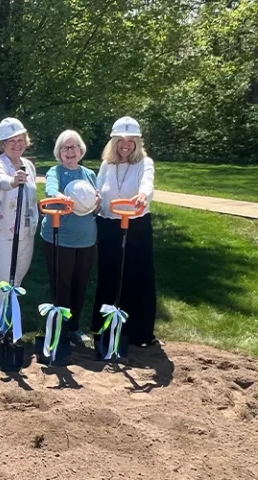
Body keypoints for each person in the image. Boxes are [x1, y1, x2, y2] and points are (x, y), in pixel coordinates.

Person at [91, 116, 159, 347]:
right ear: (114, 142)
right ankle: (105, 329)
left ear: (137, 143)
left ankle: (138, 332)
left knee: (137, 275)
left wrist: (142, 196)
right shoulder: (106, 164)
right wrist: (95, 199)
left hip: (136, 224)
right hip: (109, 224)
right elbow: (99, 188)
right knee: (109, 275)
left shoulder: (144, 163)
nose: (125, 145)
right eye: (121, 140)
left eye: (131, 141)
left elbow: (147, 184)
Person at [40, 130, 99, 346]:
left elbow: (94, 206)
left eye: (74, 147)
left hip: (86, 239)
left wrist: (97, 202)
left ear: (81, 150)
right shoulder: (56, 172)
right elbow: (51, 189)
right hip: (59, 238)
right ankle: (59, 327)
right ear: (59, 152)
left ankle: (74, 327)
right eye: (65, 148)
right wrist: (58, 196)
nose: (70, 151)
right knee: (62, 283)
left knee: (80, 283)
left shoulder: (89, 174)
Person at [0, 118, 39, 326]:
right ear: (2, 144)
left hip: (24, 232)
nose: (16, 144)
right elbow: (0, 180)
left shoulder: (29, 166)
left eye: (20, 139)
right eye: (10, 141)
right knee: (4, 281)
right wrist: (13, 181)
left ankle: (11, 323)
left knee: (16, 282)